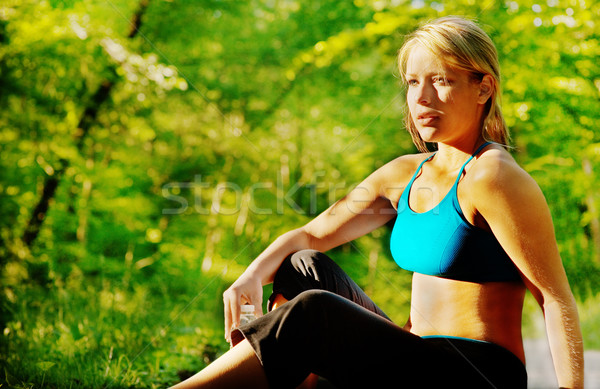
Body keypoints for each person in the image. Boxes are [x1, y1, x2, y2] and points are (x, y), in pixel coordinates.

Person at [170, 16, 584, 388]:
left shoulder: (493, 175)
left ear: (484, 88)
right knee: (302, 266)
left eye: (441, 80)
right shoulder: (407, 173)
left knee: (315, 313)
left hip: (472, 372)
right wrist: (250, 276)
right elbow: (312, 234)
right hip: (413, 356)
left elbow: (555, 298)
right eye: (413, 82)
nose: (422, 97)